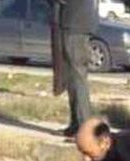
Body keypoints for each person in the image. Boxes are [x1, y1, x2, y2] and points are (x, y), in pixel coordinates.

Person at [49, 0, 98, 138]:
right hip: (75, 21)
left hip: (75, 23)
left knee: (77, 76)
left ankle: (85, 129)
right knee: (71, 77)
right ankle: (76, 125)